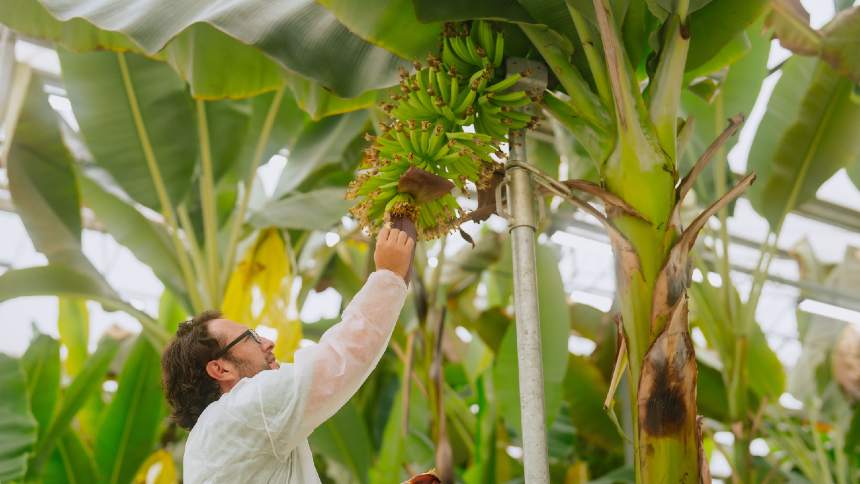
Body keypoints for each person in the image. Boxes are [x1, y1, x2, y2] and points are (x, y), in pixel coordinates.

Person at [161, 227, 415, 483]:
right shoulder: (246, 407)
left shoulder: (207, 443)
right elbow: (342, 357)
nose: (268, 342)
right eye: (250, 337)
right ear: (221, 369)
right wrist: (389, 275)